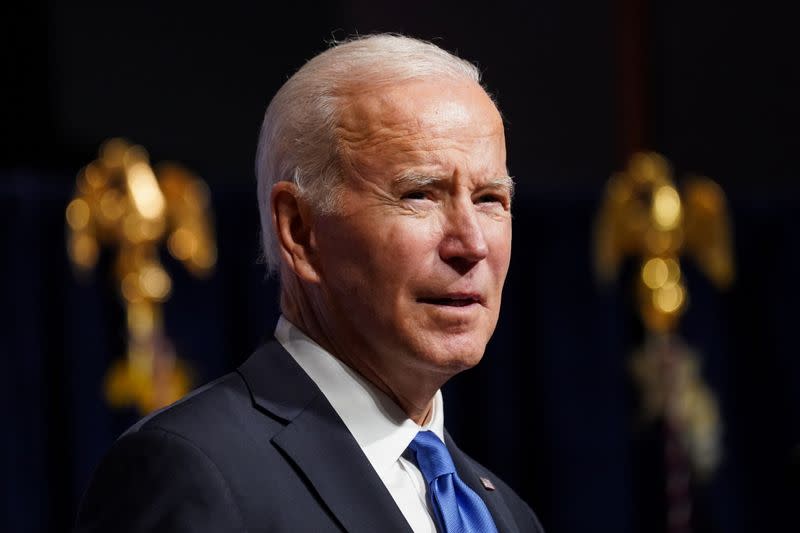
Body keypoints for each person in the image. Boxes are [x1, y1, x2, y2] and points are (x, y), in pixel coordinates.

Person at [76, 34, 544, 533]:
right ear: (299, 229)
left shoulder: (504, 515)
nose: (471, 244)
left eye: (490, 199)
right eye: (420, 194)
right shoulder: (193, 472)